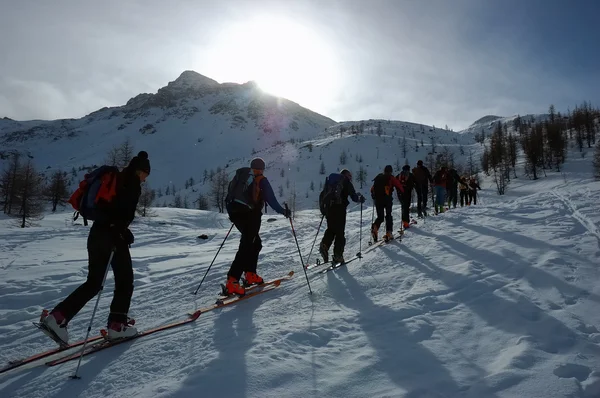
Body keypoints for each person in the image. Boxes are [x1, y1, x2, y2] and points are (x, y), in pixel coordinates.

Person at [41, 151, 151, 344]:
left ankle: (57, 318)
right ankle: (117, 326)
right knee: (125, 281)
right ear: (140, 171)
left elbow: (111, 209)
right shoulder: (132, 184)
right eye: (145, 175)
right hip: (113, 238)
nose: (144, 180)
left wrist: (119, 228)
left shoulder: (116, 180)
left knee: (93, 282)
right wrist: (121, 230)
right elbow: (122, 213)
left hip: (97, 235)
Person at [225, 158, 291, 295]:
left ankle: (250, 274)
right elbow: (271, 200)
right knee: (247, 245)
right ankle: (233, 280)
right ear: (262, 168)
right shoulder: (261, 179)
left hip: (236, 214)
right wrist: (283, 211)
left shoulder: (241, 178)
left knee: (255, 244)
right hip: (251, 215)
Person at [319, 169, 365, 264]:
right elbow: (354, 197)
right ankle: (338, 256)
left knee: (331, 229)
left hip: (329, 209)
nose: (350, 178)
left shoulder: (330, 182)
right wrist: (360, 199)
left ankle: (325, 245)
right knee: (340, 233)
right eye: (350, 176)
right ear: (346, 175)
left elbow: (323, 195)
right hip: (339, 209)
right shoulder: (345, 181)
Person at [370, 165, 404, 242]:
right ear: (391, 171)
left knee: (380, 217)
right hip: (387, 199)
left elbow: (372, 189)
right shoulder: (391, 178)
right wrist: (403, 193)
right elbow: (399, 186)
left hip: (378, 200)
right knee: (388, 215)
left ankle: (375, 227)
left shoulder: (379, 177)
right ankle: (389, 232)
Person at [396, 165, 416, 229]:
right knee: (406, 207)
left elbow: (395, 183)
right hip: (407, 193)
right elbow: (415, 183)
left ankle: (404, 221)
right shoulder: (410, 175)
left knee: (403, 206)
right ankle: (406, 223)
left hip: (400, 193)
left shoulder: (398, 175)